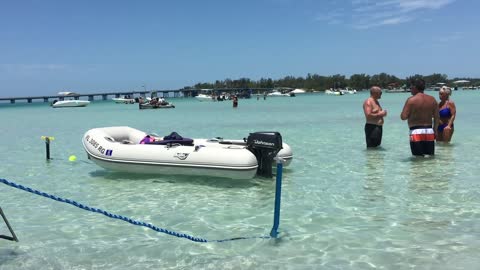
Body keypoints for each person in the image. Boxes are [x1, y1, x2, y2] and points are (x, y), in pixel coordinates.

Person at [400, 78, 439, 156]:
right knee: (430, 158)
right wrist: (435, 130)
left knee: (417, 159)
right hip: (429, 131)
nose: (410, 90)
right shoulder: (432, 99)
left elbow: (403, 117)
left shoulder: (411, 100)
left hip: (416, 131)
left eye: (411, 88)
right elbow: (437, 117)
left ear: (415, 87)